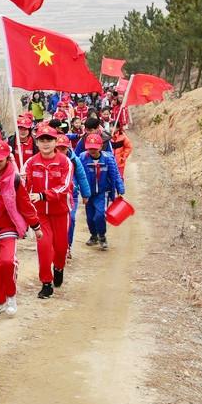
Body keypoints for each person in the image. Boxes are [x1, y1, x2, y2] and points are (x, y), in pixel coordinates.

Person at [0, 140, 42, 316]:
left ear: (7, 158)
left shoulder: (14, 179)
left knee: (6, 262)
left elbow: (25, 204)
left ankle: (11, 296)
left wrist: (35, 225)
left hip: (8, 228)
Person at [23, 125, 74, 299]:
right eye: (42, 140)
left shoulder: (64, 162)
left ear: (55, 142)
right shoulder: (30, 163)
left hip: (60, 212)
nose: (45, 143)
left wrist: (44, 195)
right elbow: (24, 188)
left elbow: (65, 187)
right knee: (44, 247)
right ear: (37, 142)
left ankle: (59, 267)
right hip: (40, 215)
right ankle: (46, 283)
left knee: (60, 248)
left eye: (49, 140)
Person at [81, 133, 125, 251]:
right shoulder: (83, 158)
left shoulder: (108, 158)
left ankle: (102, 236)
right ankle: (93, 235)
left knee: (99, 215)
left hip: (102, 192)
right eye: (90, 148)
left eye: (95, 148)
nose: (92, 150)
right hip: (88, 193)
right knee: (90, 217)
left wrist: (120, 188)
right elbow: (77, 174)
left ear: (101, 146)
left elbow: (115, 174)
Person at [57, 132, 91, 262]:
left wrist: (86, 194)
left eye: (63, 148)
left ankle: (67, 246)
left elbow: (82, 176)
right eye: (58, 148)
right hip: (56, 197)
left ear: (68, 148)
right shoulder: (50, 159)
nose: (60, 151)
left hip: (72, 196)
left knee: (70, 219)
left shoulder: (74, 160)